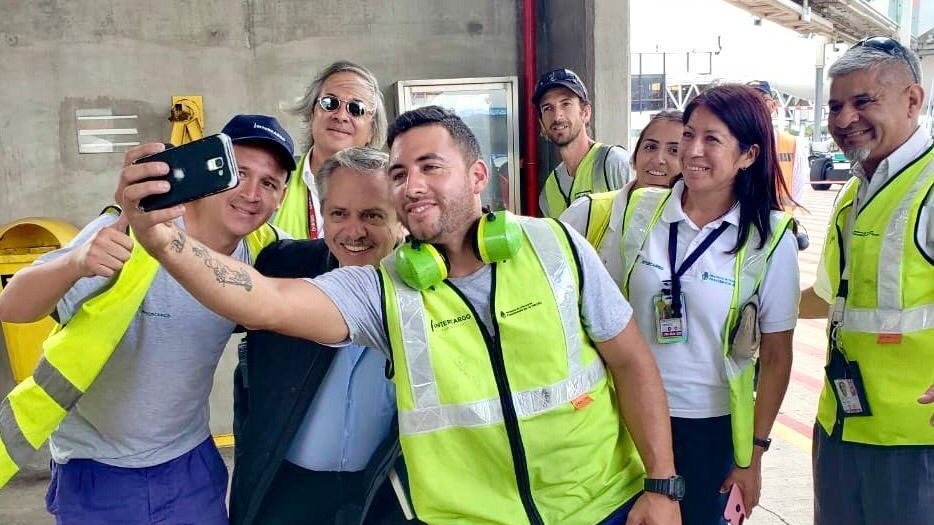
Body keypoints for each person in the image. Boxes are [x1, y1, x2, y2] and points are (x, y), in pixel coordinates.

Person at [121, 106, 682, 524]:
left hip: (601, 507)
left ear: (478, 175)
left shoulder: (556, 245)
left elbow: (632, 363)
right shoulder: (386, 290)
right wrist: (163, 238)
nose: (411, 184)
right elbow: (263, 299)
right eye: (400, 172)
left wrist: (662, 484)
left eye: (430, 166)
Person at [0, 114, 295, 524]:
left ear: (281, 197)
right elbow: (12, 305)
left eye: (269, 183)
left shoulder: (264, 253)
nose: (251, 193)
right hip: (98, 468)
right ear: (212, 172)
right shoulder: (134, 226)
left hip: (189, 463)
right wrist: (77, 262)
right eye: (239, 172)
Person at [566, 85, 798, 524]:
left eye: (712, 139)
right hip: (626, 414)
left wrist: (753, 455)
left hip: (710, 428)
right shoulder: (638, 210)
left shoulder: (769, 236)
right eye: (689, 135)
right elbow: (602, 308)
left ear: (748, 155)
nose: (692, 151)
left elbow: (776, 354)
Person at [797, 37, 933, 525]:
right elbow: (830, 296)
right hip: (841, 424)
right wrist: (750, 309)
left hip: (914, 440)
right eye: (835, 105)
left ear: (913, 100)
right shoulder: (856, 189)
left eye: (863, 102)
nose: (844, 119)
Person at [231, 147, 405, 525]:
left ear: (401, 220)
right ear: (323, 214)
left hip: (383, 496)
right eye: (339, 214)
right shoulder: (282, 265)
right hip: (286, 493)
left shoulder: (429, 291)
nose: (354, 231)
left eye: (373, 215)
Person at [274, 61, 388, 240]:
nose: (341, 116)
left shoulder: (393, 189)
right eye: (330, 103)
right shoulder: (273, 181)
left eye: (356, 108)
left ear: (372, 130)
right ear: (312, 114)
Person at [560, 110, 683, 266]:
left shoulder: (695, 228)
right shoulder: (587, 211)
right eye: (650, 147)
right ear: (633, 158)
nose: (658, 159)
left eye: (674, 151)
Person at [534, 68, 632, 217]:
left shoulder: (614, 163)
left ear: (585, 113)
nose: (557, 115)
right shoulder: (550, 190)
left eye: (565, 104)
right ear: (542, 123)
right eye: (548, 108)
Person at [747, 80, 807, 212]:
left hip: (779, 224)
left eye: (762, 99)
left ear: (773, 105)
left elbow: (798, 190)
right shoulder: (734, 142)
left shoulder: (792, 144)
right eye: (749, 100)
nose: (756, 105)